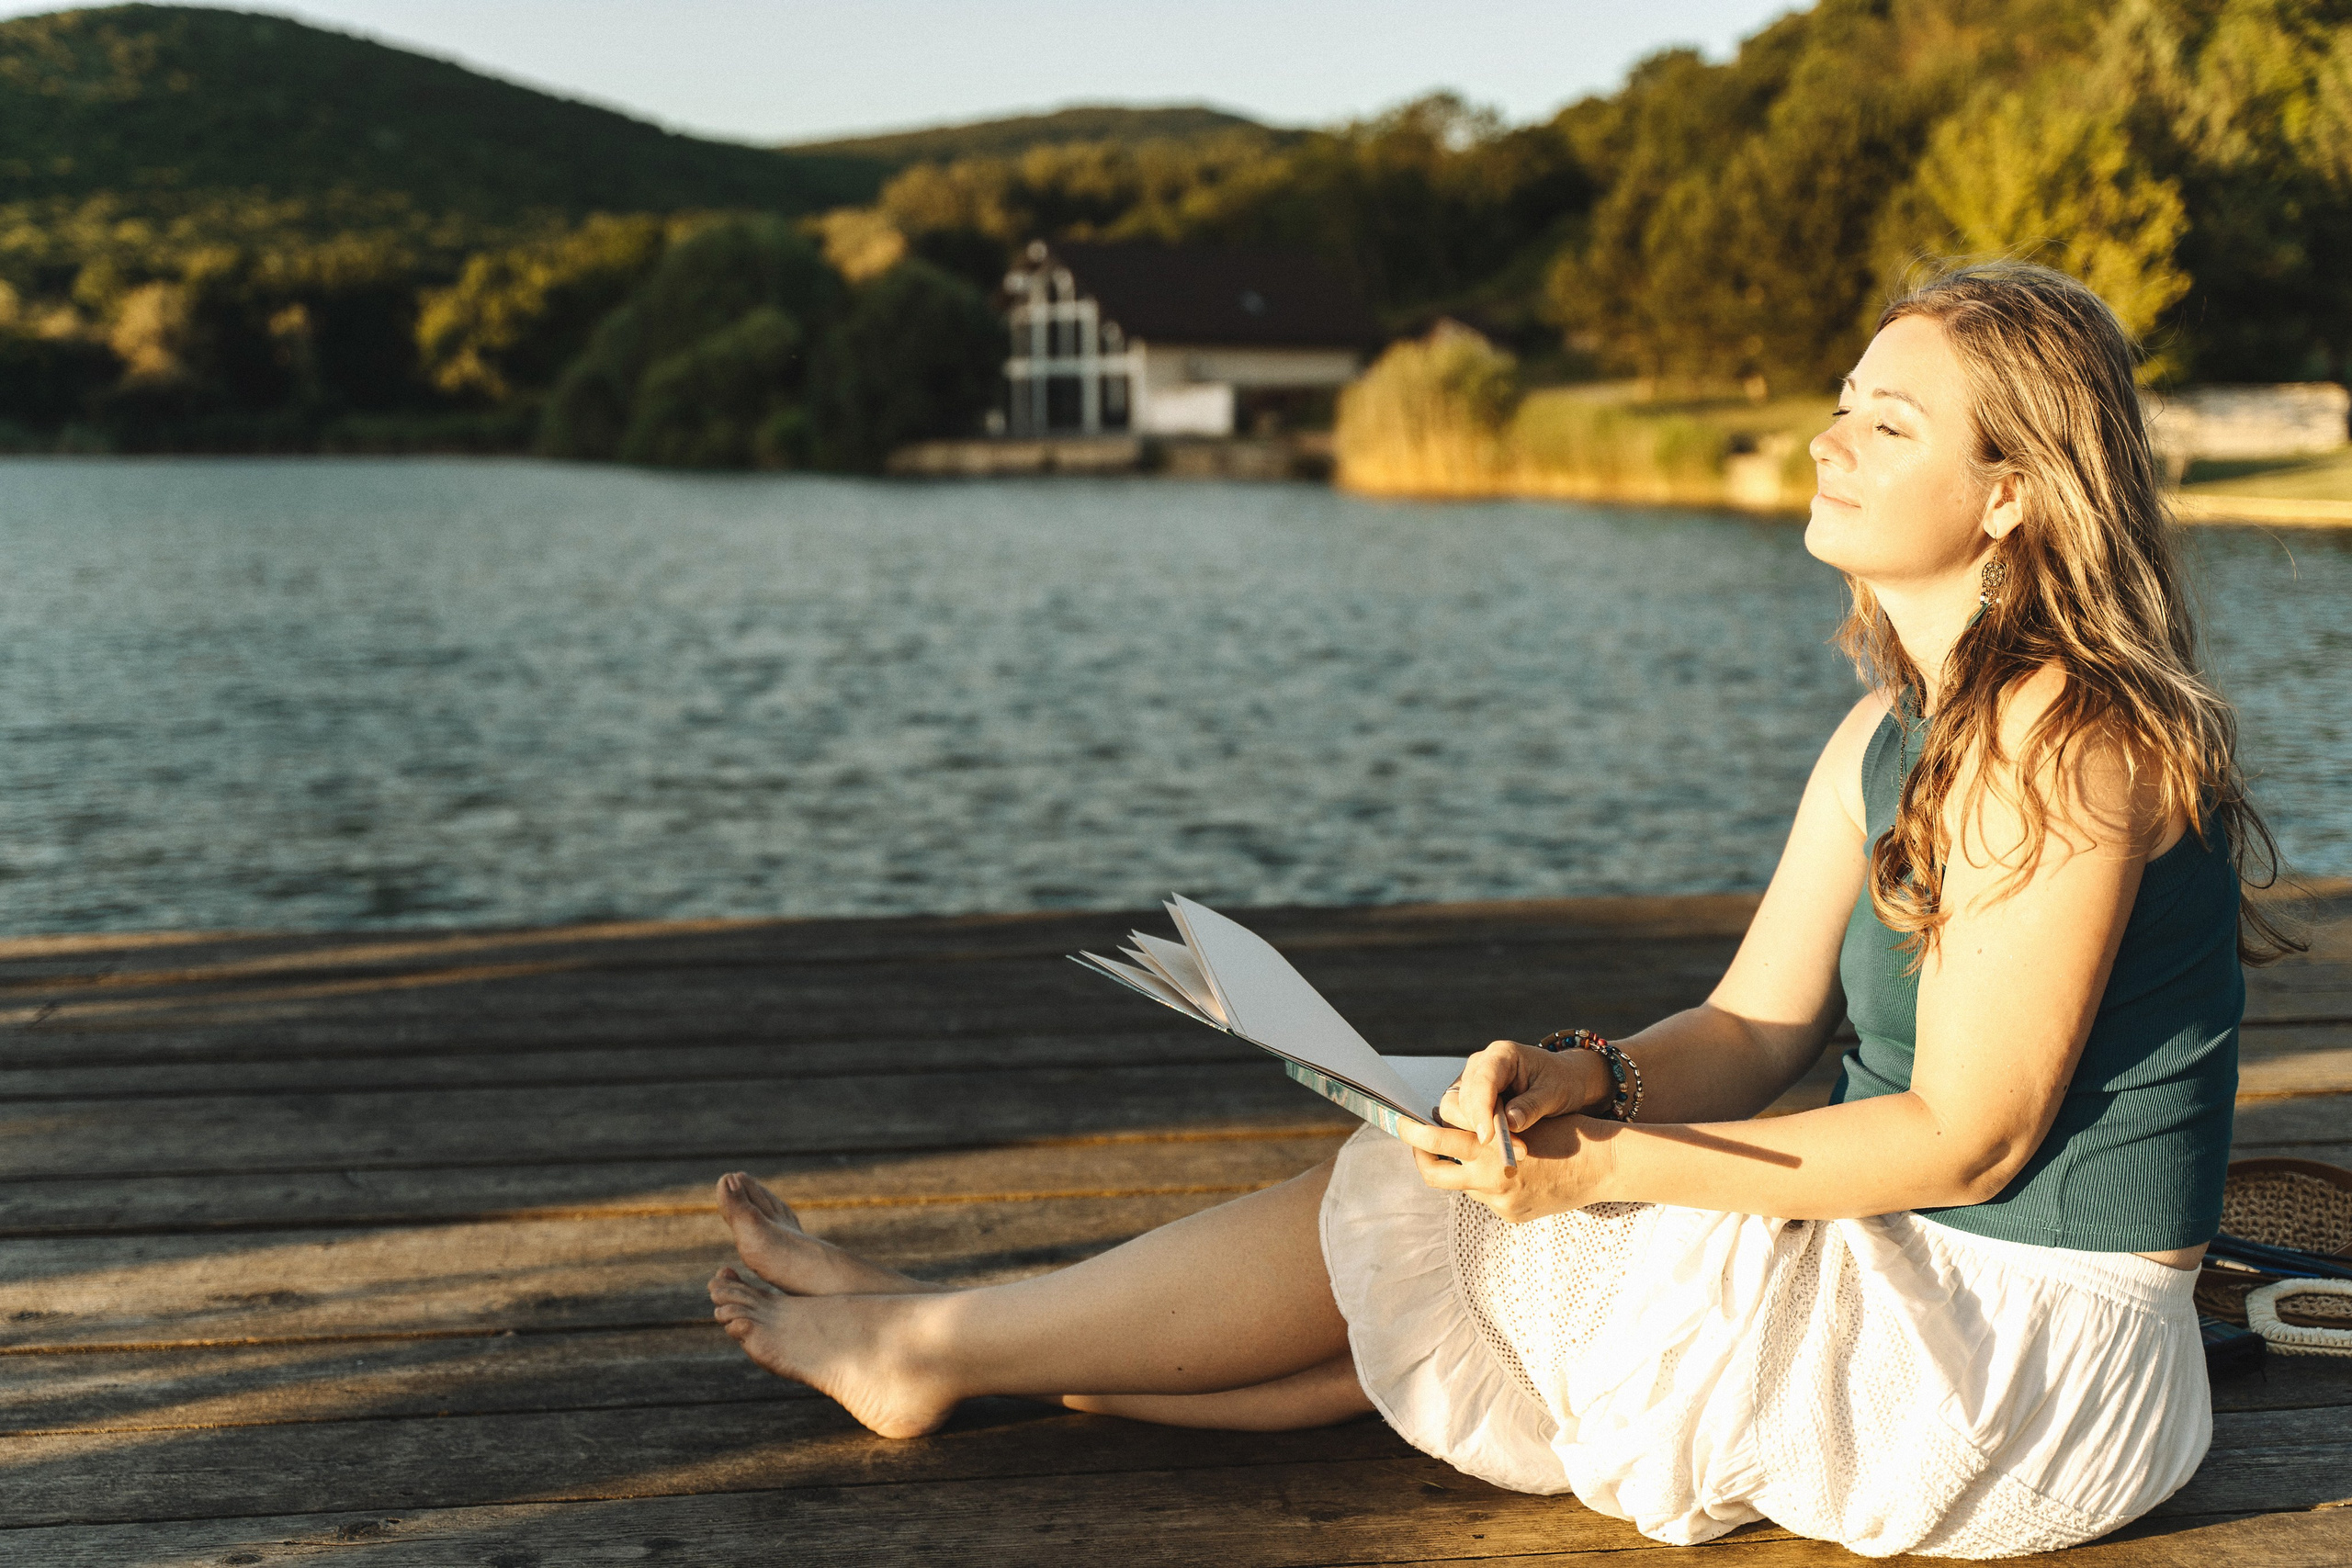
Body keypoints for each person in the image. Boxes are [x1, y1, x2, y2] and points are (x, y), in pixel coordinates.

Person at [704, 262, 2297, 1559]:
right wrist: (1585, 1076)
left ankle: (938, 1347)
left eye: (1889, 423)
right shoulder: (1895, 730)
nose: (1830, 441)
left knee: (1432, 1221)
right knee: (1425, 1230)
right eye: (1841, 403)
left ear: (2013, 493)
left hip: (2018, 1359)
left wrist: (1608, 1168)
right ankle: (953, 1341)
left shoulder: (2067, 741)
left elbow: (1971, 1141)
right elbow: (1752, 1028)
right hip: (1915, 1270)